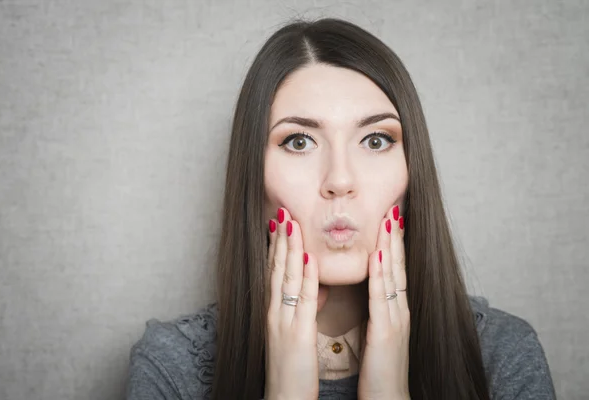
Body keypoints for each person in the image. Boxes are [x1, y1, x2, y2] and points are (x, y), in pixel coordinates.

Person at [125, 18, 556, 400]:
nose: (340, 181)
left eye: (375, 140)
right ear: (252, 179)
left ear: (411, 172)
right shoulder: (171, 366)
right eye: (298, 141)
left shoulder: (503, 354)